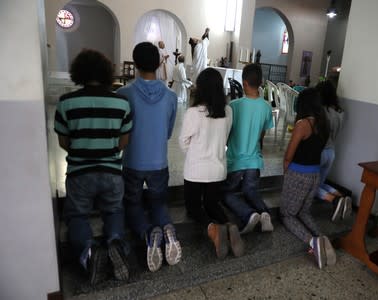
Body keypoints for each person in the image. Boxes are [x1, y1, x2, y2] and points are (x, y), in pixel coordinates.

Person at [54, 49, 132, 284]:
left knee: (77, 216)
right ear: (107, 73)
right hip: (111, 173)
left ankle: (89, 252)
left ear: (78, 72)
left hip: (80, 173)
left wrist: (83, 151)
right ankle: (116, 243)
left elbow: (63, 141)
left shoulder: (67, 102)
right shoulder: (121, 102)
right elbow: (123, 142)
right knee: (114, 211)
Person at [116, 42, 182, 273]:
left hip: (132, 163)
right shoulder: (171, 97)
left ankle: (148, 233)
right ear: (158, 63)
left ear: (135, 64)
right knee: (158, 202)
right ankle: (167, 228)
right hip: (159, 162)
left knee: (132, 203)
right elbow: (168, 132)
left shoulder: (123, 94)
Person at [179, 68, 244, 259]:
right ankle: (229, 225)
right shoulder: (228, 111)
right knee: (212, 203)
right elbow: (225, 137)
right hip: (218, 170)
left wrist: (194, 155)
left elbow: (183, 142)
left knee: (193, 207)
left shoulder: (193, 112)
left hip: (195, 171)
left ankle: (213, 230)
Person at [280, 88, 336, 269]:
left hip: (298, 175)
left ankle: (312, 242)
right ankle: (322, 237)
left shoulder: (303, 125)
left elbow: (290, 153)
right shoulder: (324, 124)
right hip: (314, 175)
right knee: (303, 212)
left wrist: (286, 169)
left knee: (288, 215)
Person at [223, 63, 274, 235]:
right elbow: (261, 135)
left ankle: (249, 214)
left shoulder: (234, 105)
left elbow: (227, 133)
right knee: (250, 190)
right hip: (254, 161)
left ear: (244, 83)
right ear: (260, 82)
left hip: (236, 161)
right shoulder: (267, 107)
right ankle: (265, 212)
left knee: (226, 194)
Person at [315, 80, 351, 222]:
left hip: (319, 152)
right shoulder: (340, 113)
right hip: (331, 152)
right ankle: (342, 197)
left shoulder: (320, 112)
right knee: (320, 183)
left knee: (311, 187)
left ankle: (334, 201)